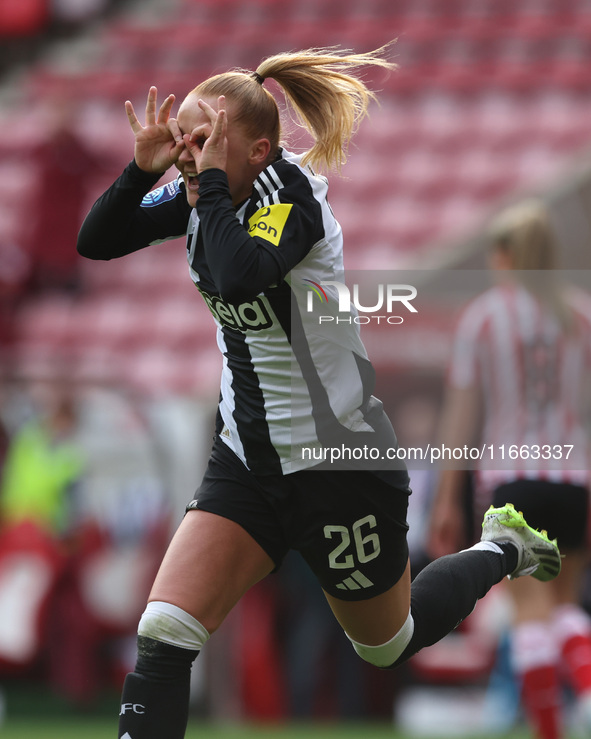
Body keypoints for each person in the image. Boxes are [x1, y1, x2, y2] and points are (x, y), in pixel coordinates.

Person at [76, 46, 562, 739]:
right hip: (247, 461)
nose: (189, 152)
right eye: (183, 136)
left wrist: (204, 184)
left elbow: (242, 273)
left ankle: (499, 549)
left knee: (387, 641)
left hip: (337, 463)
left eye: (203, 138)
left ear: (259, 150)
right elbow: (95, 240)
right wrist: (141, 170)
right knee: (163, 632)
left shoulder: (287, 198)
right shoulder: (199, 187)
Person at [430, 200, 591, 739]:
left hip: (511, 480)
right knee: (564, 606)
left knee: (527, 610)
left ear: (504, 255)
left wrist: (447, 499)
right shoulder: (581, 314)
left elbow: (461, 416)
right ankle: (585, 690)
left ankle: (550, 729)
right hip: (573, 479)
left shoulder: (485, 317)